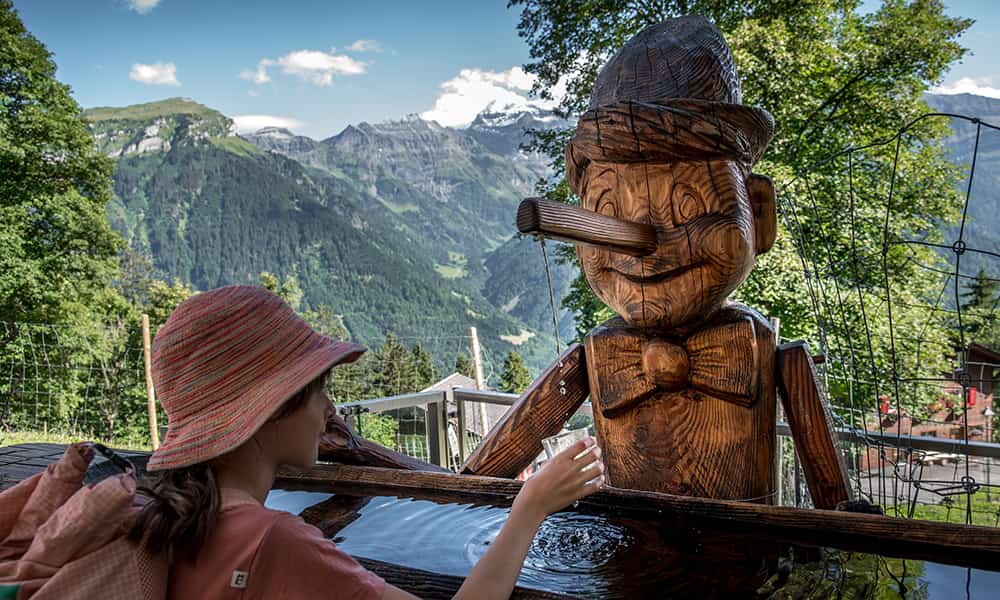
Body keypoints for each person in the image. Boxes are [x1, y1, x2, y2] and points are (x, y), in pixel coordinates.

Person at [129, 285, 605, 599]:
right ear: (272, 410)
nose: (330, 410)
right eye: (320, 389)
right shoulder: (275, 542)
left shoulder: (174, 515)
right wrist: (532, 504)